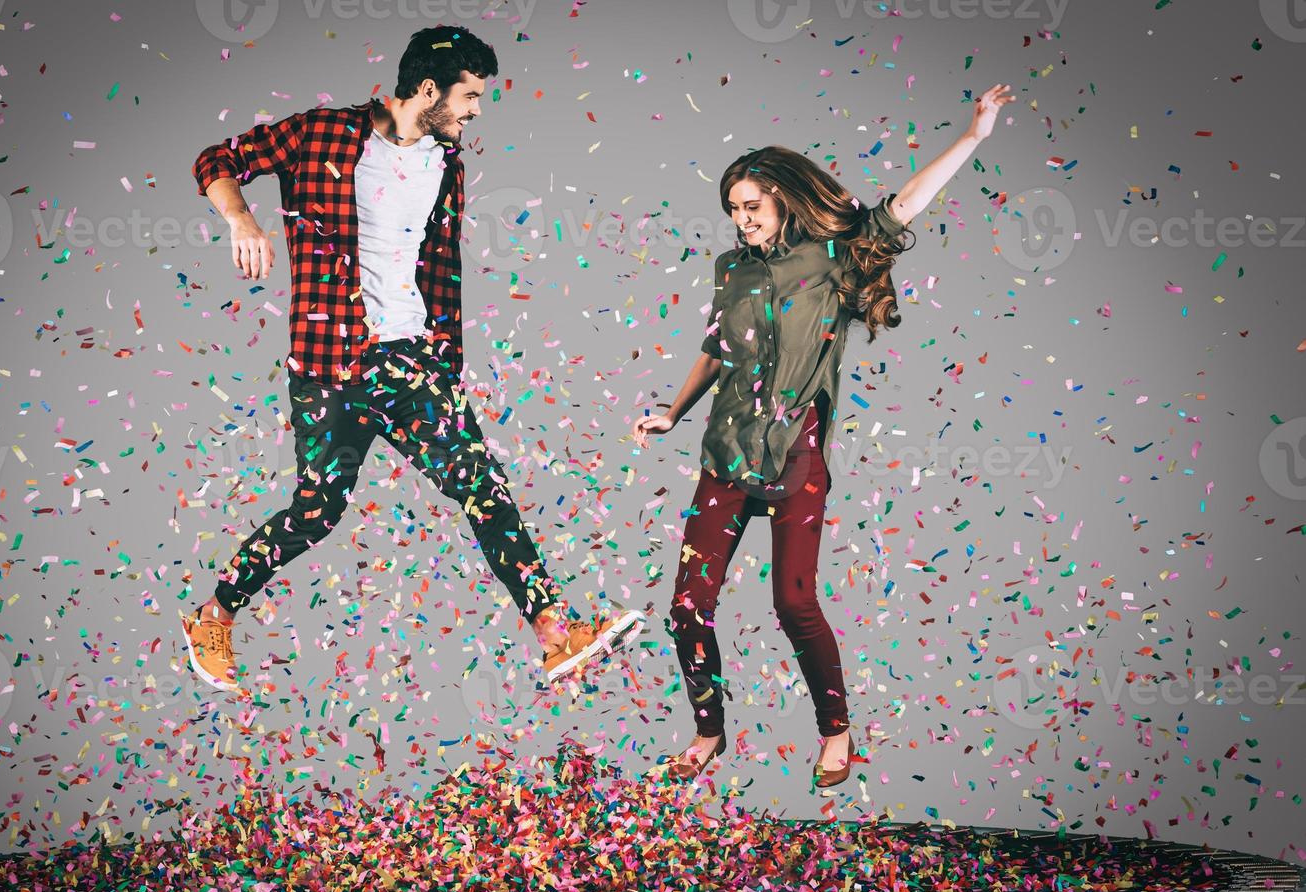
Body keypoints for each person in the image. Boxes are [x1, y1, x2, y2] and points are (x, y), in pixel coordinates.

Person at [182, 25, 644, 695]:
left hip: (412, 360)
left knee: (481, 488)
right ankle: (213, 615)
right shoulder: (321, 134)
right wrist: (241, 220)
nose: (475, 111)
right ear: (427, 90)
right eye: (469, 96)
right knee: (316, 509)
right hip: (329, 363)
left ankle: (554, 632)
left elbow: (436, 264)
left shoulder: (445, 162)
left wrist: (442, 356)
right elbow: (215, 160)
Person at [634, 83, 1016, 787]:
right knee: (686, 606)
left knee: (793, 602)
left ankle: (835, 730)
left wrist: (973, 137)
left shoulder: (834, 259)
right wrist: (672, 411)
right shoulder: (731, 270)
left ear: (782, 199)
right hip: (724, 455)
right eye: (732, 210)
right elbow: (717, 348)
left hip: (793, 461)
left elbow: (901, 207)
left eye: (751, 206)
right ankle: (707, 731)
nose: (741, 220)